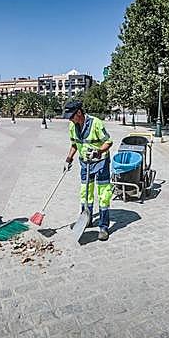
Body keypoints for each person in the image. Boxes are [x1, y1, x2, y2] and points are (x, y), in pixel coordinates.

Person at [63, 101, 113, 241]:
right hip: (85, 164)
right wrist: (68, 159)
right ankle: (87, 219)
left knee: (104, 194)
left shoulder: (96, 123)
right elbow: (74, 144)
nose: (69, 119)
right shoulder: (72, 126)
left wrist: (98, 152)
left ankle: (103, 227)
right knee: (85, 192)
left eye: (71, 116)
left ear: (79, 112)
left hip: (101, 162)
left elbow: (109, 142)